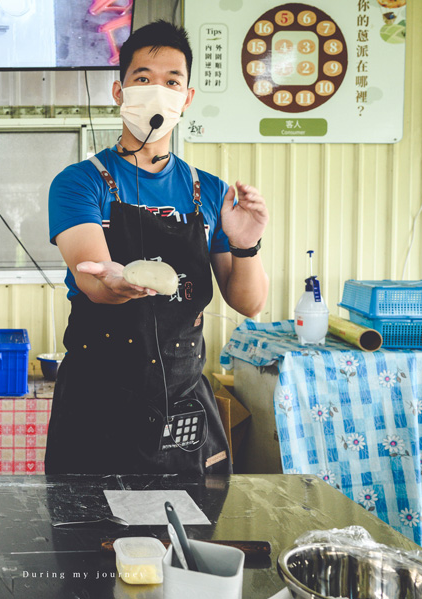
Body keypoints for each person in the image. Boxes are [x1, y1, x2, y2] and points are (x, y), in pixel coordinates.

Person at [44, 20, 269, 475]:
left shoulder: (209, 192)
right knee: (89, 539)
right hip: (97, 400)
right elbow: (97, 283)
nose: (157, 91)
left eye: (171, 82)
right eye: (142, 78)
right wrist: (115, 281)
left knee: (186, 537)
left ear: (186, 98)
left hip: (181, 400)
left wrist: (246, 246)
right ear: (119, 91)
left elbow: (249, 302)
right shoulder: (80, 182)